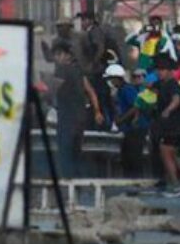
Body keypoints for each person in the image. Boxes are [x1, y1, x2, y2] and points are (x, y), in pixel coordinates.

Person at [52, 42, 103, 178]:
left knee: (65, 152)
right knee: (76, 152)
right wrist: (97, 111)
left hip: (67, 118)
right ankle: (77, 183)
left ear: (65, 55)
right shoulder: (78, 71)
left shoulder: (61, 70)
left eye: (58, 54)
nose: (57, 58)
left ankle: (68, 183)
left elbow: (54, 89)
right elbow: (91, 91)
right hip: (80, 118)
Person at [154, 56, 180, 196]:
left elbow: (176, 100)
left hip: (175, 125)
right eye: (158, 70)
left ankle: (176, 185)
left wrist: (168, 110)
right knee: (174, 153)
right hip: (172, 126)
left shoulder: (172, 85)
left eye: (162, 70)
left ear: (170, 71)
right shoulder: (163, 84)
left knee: (165, 151)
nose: (159, 72)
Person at [104, 64, 145, 177]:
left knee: (133, 158)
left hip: (135, 128)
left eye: (110, 79)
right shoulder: (120, 91)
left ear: (116, 78)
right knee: (127, 158)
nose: (110, 82)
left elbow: (136, 106)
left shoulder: (127, 90)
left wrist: (122, 119)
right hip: (129, 130)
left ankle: (136, 185)